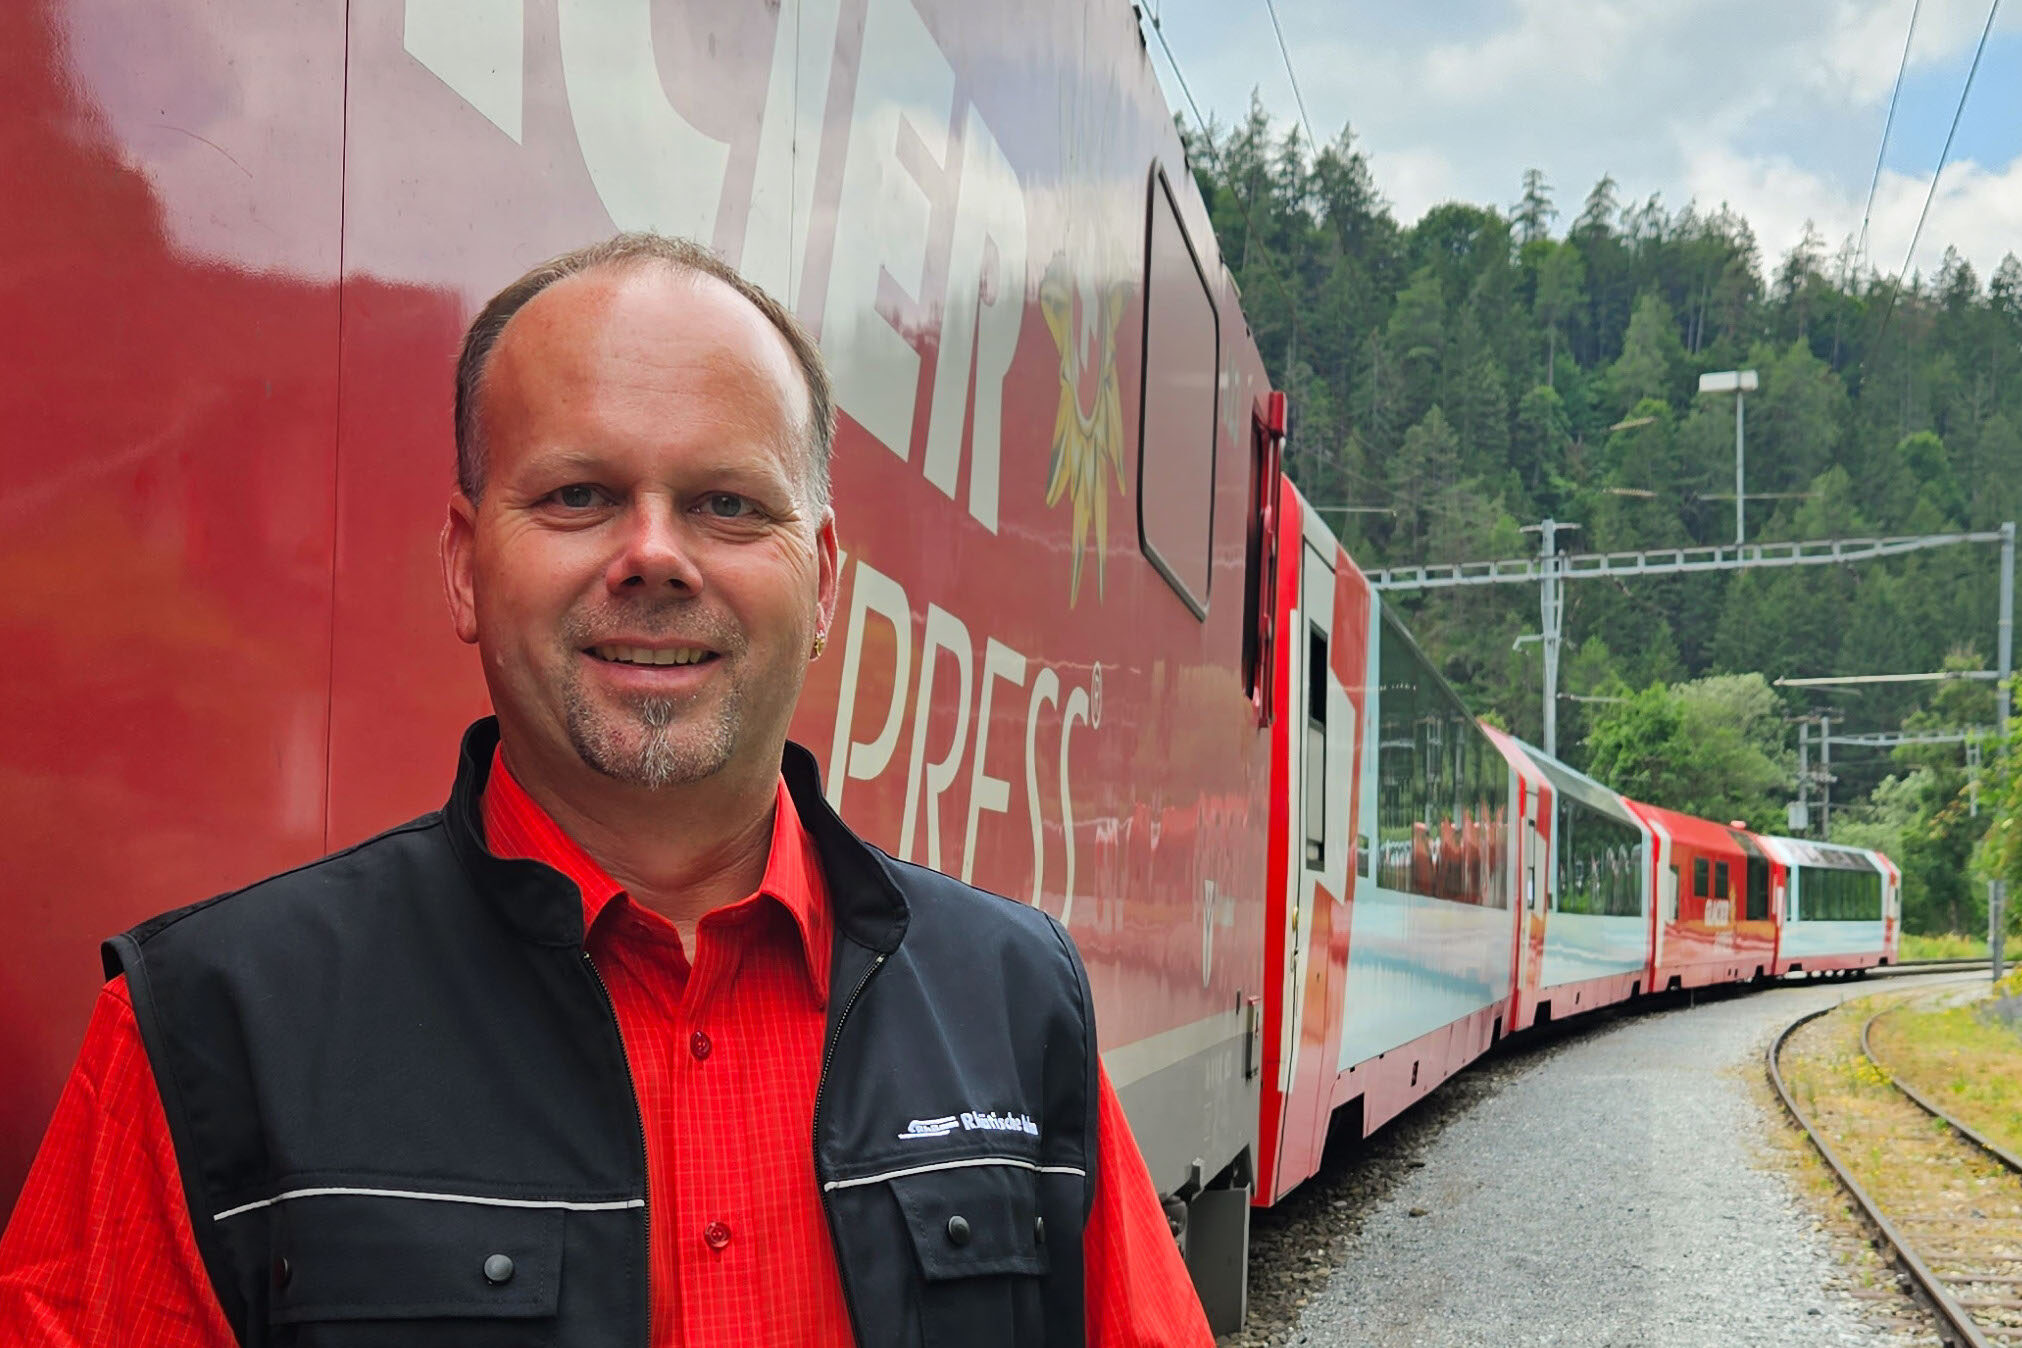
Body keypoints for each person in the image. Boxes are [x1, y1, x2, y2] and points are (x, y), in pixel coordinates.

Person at [0, 234, 1214, 1346]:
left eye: (726, 504)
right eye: (577, 495)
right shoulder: (206, 1035)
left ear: (826, 580)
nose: (654, 555)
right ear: (466, 566)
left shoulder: (1012, 1005)